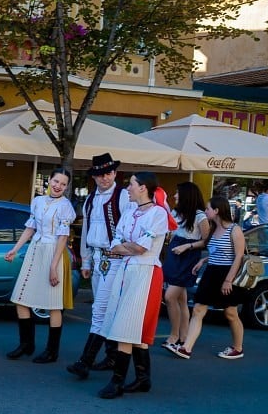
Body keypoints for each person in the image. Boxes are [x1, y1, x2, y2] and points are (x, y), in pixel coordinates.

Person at [96, 173, 169, 398]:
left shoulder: (158, 214)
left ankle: (117, 382)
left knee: (127, 326)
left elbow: (141, 248)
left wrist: (125, 247)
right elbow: (115, 242)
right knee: (130, 324)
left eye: (131, 184)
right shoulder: (129, 212)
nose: (128, 188)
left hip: (146, 273)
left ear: (143, 188)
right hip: (127, 270)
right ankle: (142, 378)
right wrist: (127, 247)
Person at [68, 153, 134, 376]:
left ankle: (85, 361)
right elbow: (86, 232)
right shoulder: (90, 199)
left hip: (115, 259)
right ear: (94, 177)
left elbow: (130, 229)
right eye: (100, 175)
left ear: (115, 173)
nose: (105, 178)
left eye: (108, 173)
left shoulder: (124, 196)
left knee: (100, 309)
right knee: (105, 308)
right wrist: (85, 260)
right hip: (97, 258)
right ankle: (112, 356)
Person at [4, 167, 75, 363]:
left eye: (63, 184)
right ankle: (27, 344)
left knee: (53, 305)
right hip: (35, 250)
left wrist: (54, 266)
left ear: (66, 187)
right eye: (55, 181)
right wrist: (15, 249)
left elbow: (62, 238)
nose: (58, 186)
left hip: (54, 252)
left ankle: (52, 351)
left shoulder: (65, 207)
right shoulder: (37, 201)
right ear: (49, 180)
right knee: (21, 298)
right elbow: (30, 227)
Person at [168, 196, 246, 361]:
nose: (205, 211)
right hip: (211, 272)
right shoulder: (212, 229)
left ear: (217, 210)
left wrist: (228, 281)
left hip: (226, 274)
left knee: (231, 312)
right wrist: (203, 260)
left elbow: (238, 256)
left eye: (208, 209)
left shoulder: (234, 229)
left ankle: (238, 348)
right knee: (198, 309)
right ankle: (186, 348)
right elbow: (216, 251)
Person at [160, 182, 209, 350]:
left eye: (178, 193)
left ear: (187, 195)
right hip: (174, 256)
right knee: (181, 300)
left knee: (169, 297)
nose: (175, 196)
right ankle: (183, 337)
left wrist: (187, 246)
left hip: (188, 257)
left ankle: (174, 336)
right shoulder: (176, 212)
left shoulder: (200, 215)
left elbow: (206, 241)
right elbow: (168, 230)